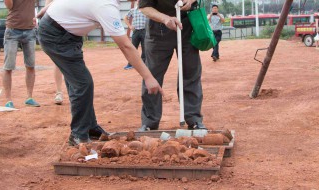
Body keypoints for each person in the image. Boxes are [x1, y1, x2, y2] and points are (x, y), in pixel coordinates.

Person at [37, 0, 163, 146]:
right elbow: (126, 46)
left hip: (66, 34)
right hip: (55, 36)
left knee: (78, 82)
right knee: (83, 83)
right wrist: (148, 77)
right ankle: (78, 134)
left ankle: (89, 127)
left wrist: (50, 6)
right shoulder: (106, 6)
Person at [138, 0, 207, 131]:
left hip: (187, 24)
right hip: (159, 28)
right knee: (153, 74)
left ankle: (194, 119)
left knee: (190, 72)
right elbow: (144, 7)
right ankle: (150, 122)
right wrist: (165, 18)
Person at [2, 0, 40, 108]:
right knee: (8, 67)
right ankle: (8, 100)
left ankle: (29, 97)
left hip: (30, 30)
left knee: (31, 65)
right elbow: (9, 6)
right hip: (12, 30)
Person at [123, 0, 147, 70]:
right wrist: (130, 26)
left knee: (145, 49)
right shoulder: (132, 10)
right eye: (138, 1)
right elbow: (125, 18)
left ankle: (143, 65)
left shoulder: (145, 10)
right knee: (133, 48)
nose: (139, 2)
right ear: (136, 2)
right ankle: (130, 64)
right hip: (136, 31)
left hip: (144, 31)